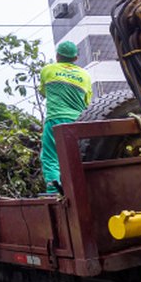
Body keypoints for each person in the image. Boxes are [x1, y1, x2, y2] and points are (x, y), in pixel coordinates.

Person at [38, 41, 93, 194]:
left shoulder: (48, 70)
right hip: (78, 122)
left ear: (57, 56)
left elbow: (43, 92)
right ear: (75, 58)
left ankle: (53, 191)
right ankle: (79, 190)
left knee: (50, 157)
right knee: (76, 158)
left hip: (55, 120)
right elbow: (87, 101)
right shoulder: (85, 75)